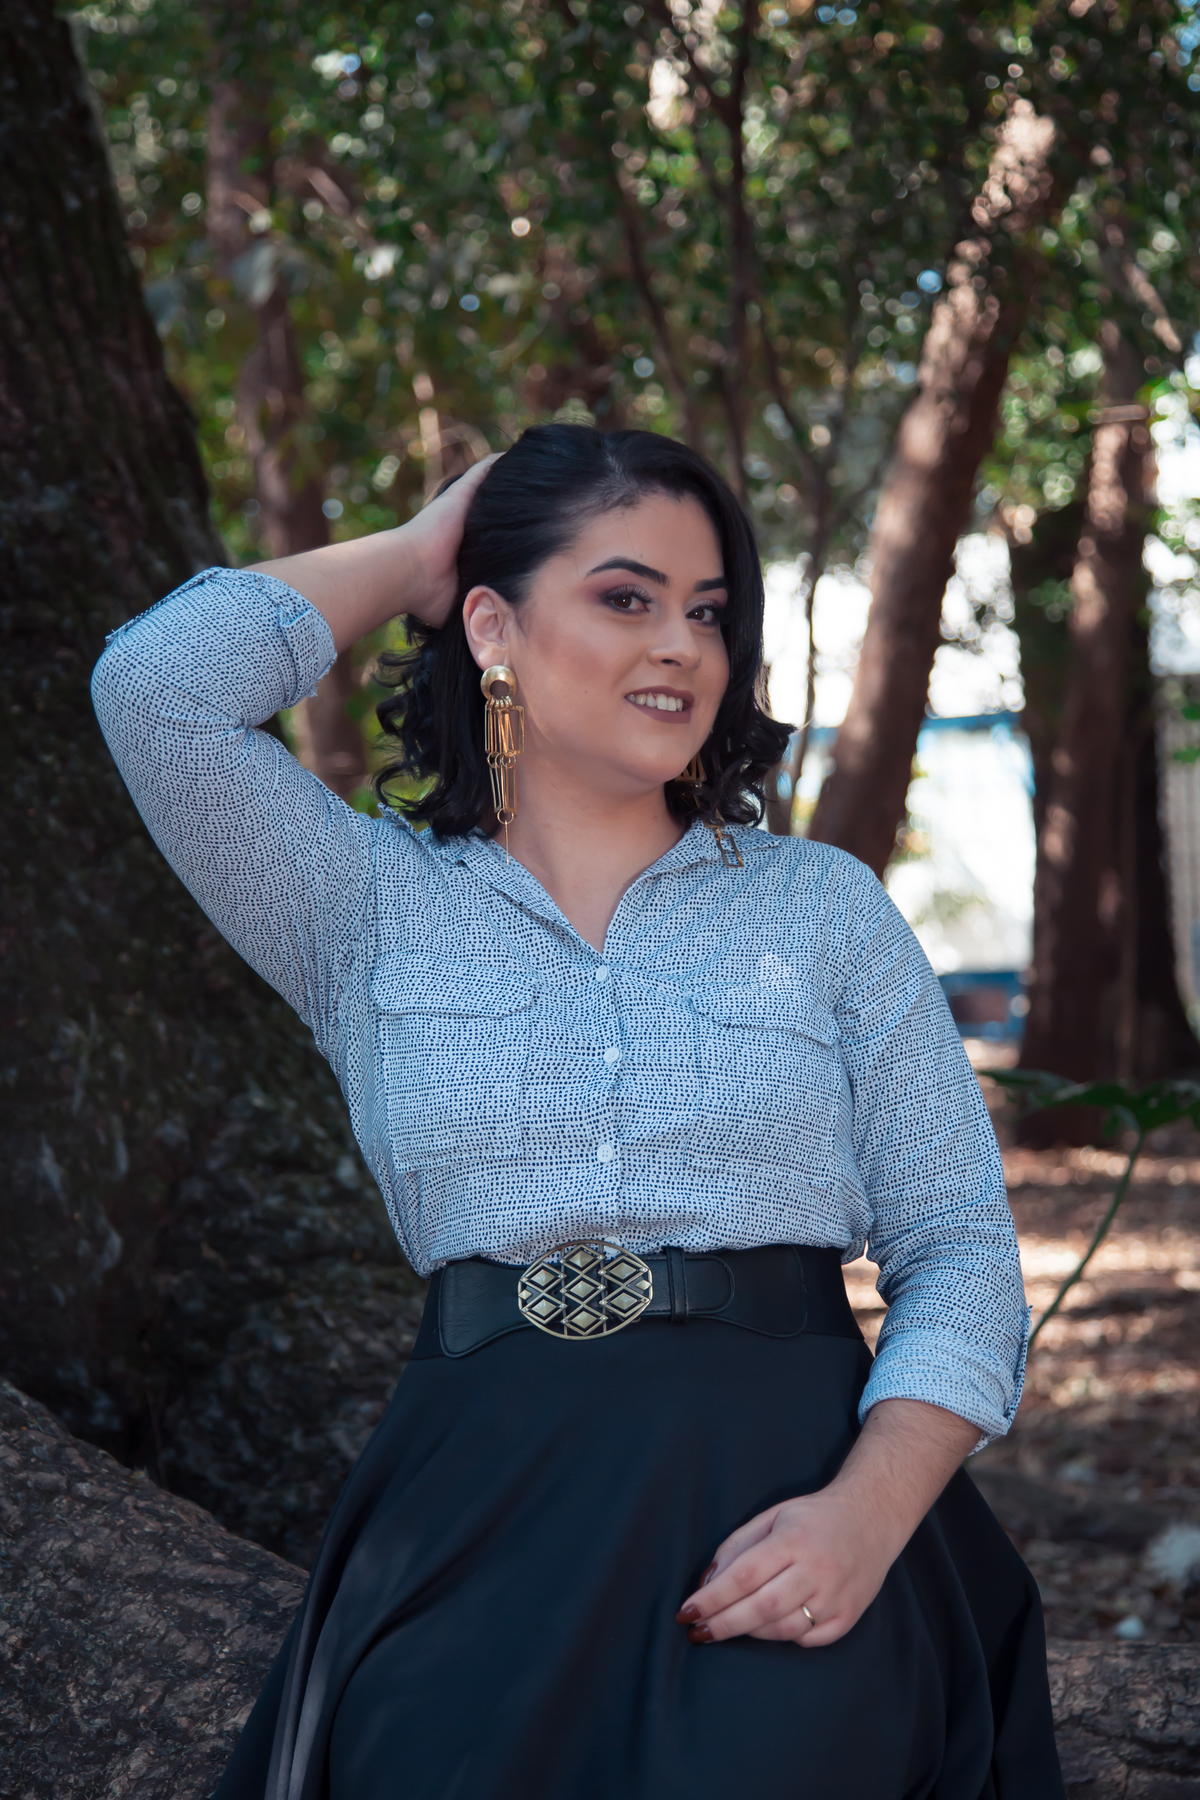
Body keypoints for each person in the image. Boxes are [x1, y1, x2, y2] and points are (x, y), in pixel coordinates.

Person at [92, 424, 1063, 1800]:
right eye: (625, 597)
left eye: (708, 612)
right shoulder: (361, 909)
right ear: (493, 627)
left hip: (788, 1497)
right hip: (473, 1509)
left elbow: (959, 1249)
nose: (680, 646)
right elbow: (156, 689)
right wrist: (419, 553)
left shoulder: (822, 909)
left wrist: (867, 1515)